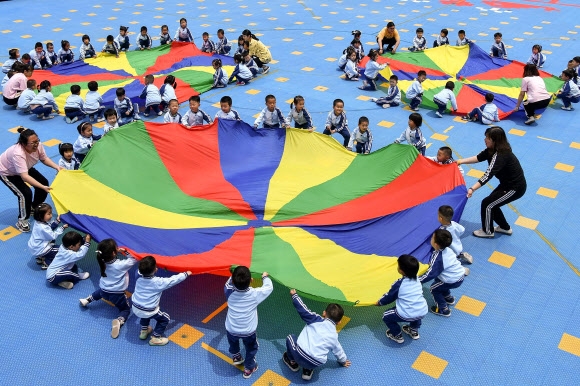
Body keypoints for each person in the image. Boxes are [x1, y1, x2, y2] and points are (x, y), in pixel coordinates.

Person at [456, 126, 526, 238]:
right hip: (506, 184)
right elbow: (478, 157)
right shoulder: (492, 150)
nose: (485, 140)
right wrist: (460, 161)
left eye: (487, 138)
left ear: (495, 140)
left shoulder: (501, 155)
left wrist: (472, 188)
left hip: (514, 188)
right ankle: (504, 227)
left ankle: (487, 231)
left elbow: (488, 175)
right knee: (492, 203)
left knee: (488, 204)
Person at [0, 127, 62, 232]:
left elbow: (44, 158)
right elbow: (24, 177)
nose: (36, 144)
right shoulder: (18, 153)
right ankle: (22, 221)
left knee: (44, 182)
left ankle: (33, 207)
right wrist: (43, 187)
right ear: (23, 144)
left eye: (37, 141)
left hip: (24, 168)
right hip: (8, 172)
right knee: (25, 193)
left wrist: (57, 167)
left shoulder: (38, 145)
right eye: (32, 143)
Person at [283, 289, 351, 381]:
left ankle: (292, 362)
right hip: (315, 363)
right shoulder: (334, 336)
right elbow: (338, 351)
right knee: (314, 354)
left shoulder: (316, 319)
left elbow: (303, 309)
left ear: (324, 313)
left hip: (299, 355)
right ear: (339, 322)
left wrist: (294, 296)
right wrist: (343, 361)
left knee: (290, 338)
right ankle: (307, 370)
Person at [79, 239, 138, 339]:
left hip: (104, 290)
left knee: (100, 292)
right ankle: (119, 321)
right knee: (125, 309)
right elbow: (134, 259)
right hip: (117, 294)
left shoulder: (102, 261)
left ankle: (87, 300)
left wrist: (116, 251)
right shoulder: (120, 265)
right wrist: (124, 251)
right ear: (114, 252)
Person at [131, 256, 191, 346]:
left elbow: (140, 269)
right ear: (156, 269)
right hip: (149, 309)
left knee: (144, 315)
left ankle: (144, 331)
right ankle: (155, 337)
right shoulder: (158, 282)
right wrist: (186, 274)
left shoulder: (137, 275)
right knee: (165, 318)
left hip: (135, 306)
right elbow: (173, 280)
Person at [225, 266, 273, 379]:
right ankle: (249, 368)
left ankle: (236, 356)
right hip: (248, 331)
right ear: (251, 281)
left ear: (232, 281)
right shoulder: (255, 294)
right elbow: (268, 287)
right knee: (251, 349)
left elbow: (229, 282)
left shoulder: (228, 291)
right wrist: (265, 277)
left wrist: (233, 272)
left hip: (231, 329)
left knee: (233, 343)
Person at [377, 254, 427, 344]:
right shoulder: (418, 279)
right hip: (422, 310)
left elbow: (389, 297)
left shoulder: (399, 284)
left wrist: (379, 302)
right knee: (416, 313)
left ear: (401, 271)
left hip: (405, 313)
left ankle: (397, 335)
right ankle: (413, 330)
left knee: (386, 316)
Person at [419, 229, 465, 317]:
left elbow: (431, 274)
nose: (431, 239)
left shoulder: (438, 258)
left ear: (435, 244)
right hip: (459, 276)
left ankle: (443, 309)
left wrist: (418, 280)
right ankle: (448, 298)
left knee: (434, 288)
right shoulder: (448, 250)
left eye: (432, 237)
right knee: (440, 283)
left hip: (452, 280)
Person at [28, 203, 67, 269]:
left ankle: (40, 257)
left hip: (35, 247)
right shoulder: (43, 228)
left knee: (52, 241)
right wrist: (62, 228)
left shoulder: (38, 222)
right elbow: (53, 236)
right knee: (62, 249)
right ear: (41, 216)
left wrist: (57, 221)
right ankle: (47, 262)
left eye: (51, 213)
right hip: (41, 249)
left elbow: (49, 227)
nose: (51, 215)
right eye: (49, 214)